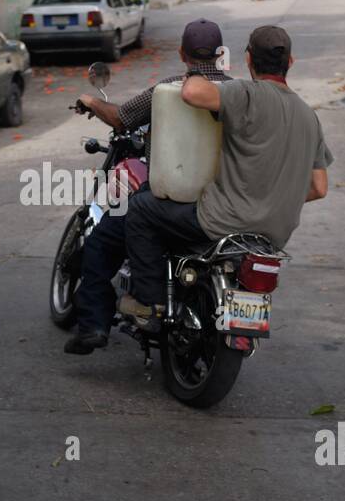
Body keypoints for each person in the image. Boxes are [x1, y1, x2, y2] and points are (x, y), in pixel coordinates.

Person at [119, 25, 332, 331]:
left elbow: (192, 93)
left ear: (248, 59)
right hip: (273, 235)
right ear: (291, 62)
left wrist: (195, 70)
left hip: (222, 221)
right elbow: (319, 187)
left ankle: (149, 304)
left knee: (140, 210)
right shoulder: (309, 116)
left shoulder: (247, 93)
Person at [65, 19, 232, 355]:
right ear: (219, 54)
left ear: (182, 53)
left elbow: (121, 118)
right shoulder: (239, 93)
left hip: (166, 202)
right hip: (221, 202)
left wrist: (91, 101)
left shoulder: (167, 90)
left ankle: (95, 326)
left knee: (100, 243)